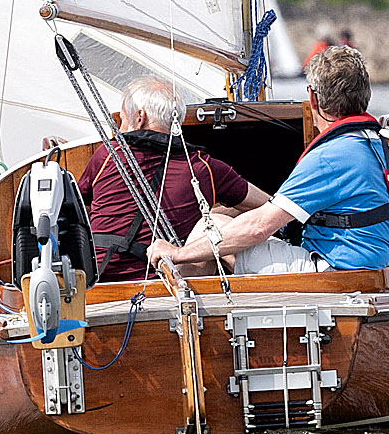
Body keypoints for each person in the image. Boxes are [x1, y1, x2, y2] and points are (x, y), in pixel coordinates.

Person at [147, 45, 389, 277]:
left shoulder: (329, 157)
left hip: (334, 272)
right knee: (227, 219)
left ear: (313, 99)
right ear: (365, 95)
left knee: (210, 225)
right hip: (377, 266)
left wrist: (177, 253)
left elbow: (259, 228)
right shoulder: (384, 152)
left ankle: (182, 318)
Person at [78, 77, 269, 281]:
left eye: (122, 120)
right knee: (214, 229)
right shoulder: (203, 167)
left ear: (140, 117)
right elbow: (268, 205)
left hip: (101, 282)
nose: (120, 128)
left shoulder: (106, 155)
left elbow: (80, 211)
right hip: (165, 284)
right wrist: (214, 213)